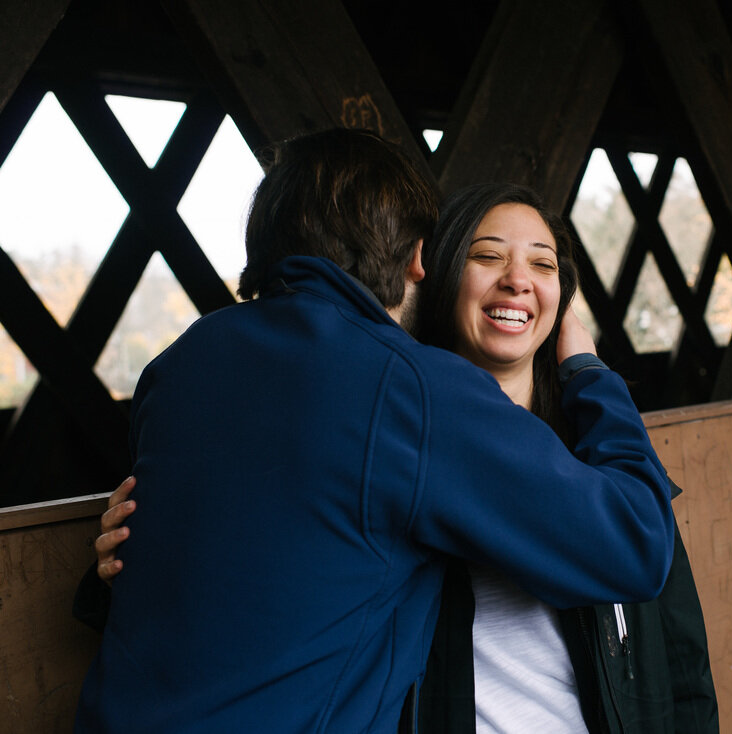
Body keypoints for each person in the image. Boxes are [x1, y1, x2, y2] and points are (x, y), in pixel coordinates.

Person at [73, 129, 675, 734]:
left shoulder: (177, 366)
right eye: (486, 255)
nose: (516, 277)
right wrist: (589, 372)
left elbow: (239, 551)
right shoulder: (410, 388)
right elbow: (637, 543)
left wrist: (105, 572)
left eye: (541, 263)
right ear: (419, 259)